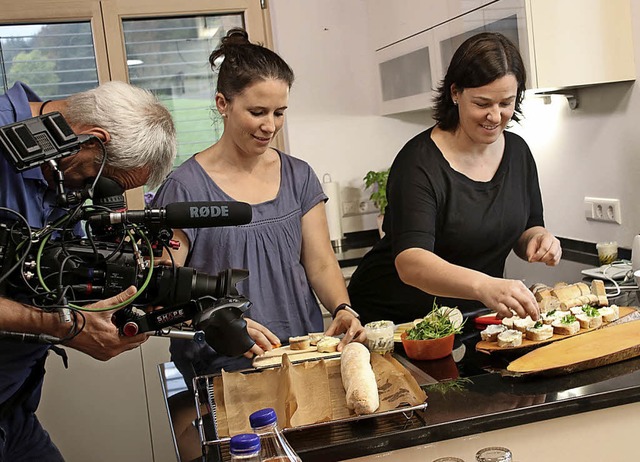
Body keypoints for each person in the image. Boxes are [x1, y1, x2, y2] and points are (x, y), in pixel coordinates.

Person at [152, 28, 365, 379]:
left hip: (300, 355)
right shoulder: (184, 188)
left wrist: (343, 308)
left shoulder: (298, 176)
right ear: (223, 104)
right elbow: (165, 285)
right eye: (257, 112)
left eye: (279, 113)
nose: (270, 126)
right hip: (222, 367)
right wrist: (223, 323)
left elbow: (322, 263)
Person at [0, 80, 177, 461]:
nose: (92, 195)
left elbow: (51, 277)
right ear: (91, 140)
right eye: (103, 182)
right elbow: (58, 317)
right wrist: (63, 326)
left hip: (13, 407)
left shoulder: (63, 167)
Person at [348, 32, 562, 328]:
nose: (495, 116)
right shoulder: (419, 162)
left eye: (506, 103)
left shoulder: (518, 152)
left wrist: (539, 240)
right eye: (482, 103)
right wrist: (484, 285)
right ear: (455, 93)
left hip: (470, 318)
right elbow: (411, 262)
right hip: (398, 320)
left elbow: (528, 226)